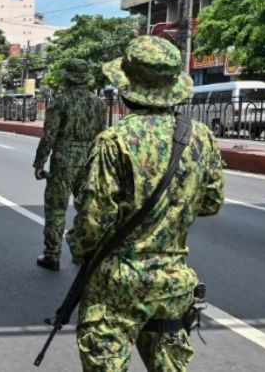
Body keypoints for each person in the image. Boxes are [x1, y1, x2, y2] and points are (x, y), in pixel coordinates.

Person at [67, 36, 224, 371]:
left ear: (126, 88)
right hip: (172, 283)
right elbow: (211, 202)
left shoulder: (114, 141)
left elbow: (93, 221)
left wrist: (79, 251)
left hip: (117, 283)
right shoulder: (201, 137)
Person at [33, 59, 106, 271]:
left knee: (56, 209)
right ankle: (83, 253)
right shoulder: (99, 104)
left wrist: (39, 162)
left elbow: (49, 135)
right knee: (87, 208)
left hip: (64, 161)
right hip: (90, 160)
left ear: (68, 77)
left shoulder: (61, 102)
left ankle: (52, 255)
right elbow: (102, 135)